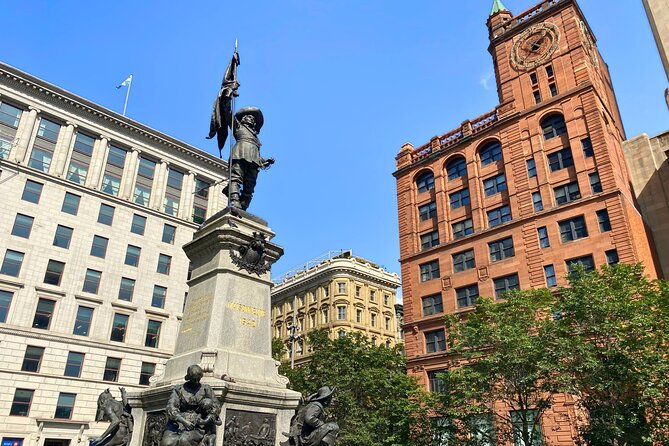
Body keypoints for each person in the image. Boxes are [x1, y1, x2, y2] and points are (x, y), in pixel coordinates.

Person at [207, 49, 274, 212]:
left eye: (253, 118)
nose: (250, 118)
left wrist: (264, 161)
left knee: (250, 184)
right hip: (240, 152)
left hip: (254, 159)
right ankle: (235, 201)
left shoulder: (256, 138)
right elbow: (226, 110)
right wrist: (228, 94)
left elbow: (256, 152)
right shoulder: (237, 126)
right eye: (248, 116)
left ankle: (243, 206)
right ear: (242, 118)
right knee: (236, 178)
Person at [161, 365, 218, 446]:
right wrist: (183, 421)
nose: (197, 382)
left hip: (198, 425)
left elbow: (216, 406)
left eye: (198, 379)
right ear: (188, 377)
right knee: (166, 443)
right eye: (194, 379)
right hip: (178, 424)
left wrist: (206, 420)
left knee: (184, 440)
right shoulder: (179, 389)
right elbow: (171, 408)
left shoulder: (206, 389)